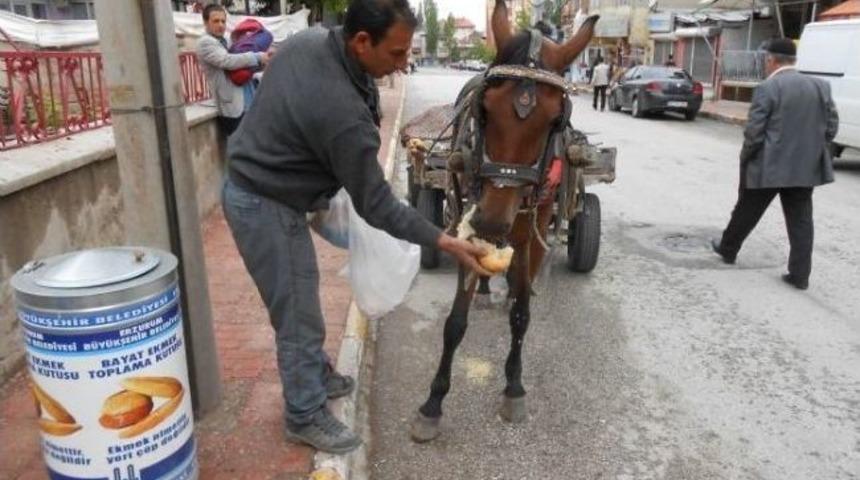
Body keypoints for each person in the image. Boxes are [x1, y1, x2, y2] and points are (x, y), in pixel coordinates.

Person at [222, 0, 490, 454]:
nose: (404, 64)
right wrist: (444, 241)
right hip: (265, 202)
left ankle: (316, 374)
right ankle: (303, 413)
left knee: (311, 294)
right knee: (299, 314)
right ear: (362, 41)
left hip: (270, 181)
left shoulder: (312, 41)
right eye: (398, 53)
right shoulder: (341, 113)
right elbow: (378, 206)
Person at [711, 39, 839, 290]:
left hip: (767, 166)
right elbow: (831, 127)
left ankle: (728, 250)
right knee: (801, 221)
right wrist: (812, 149)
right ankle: (800, 275)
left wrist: (746, 157)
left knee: (746, 211)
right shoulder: (821, 86)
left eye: (766, 60)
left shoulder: (768, 88)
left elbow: (754, 133)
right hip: (804, 168)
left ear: (771, 60)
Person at [195, 5, 271, 137]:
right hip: (233, 106)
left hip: (247, 101)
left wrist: (262, 61)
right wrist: (257, 56)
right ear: (206, 22)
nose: (221, 25)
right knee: (240, 149)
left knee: (253, 146)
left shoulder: (225, 41)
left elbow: (241, 63)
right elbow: (227, 61)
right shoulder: (205, 43)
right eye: (216, 21)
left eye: (223, 21)